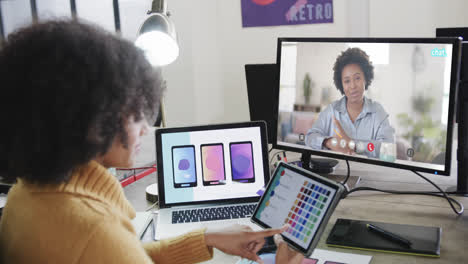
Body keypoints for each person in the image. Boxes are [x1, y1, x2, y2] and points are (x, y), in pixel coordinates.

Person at [0, 20, 304, 264]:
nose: (147, 127)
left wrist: (207, 238)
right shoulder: (91, 229)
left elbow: (127, 255)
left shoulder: (24, 194)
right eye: (134, 112)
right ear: (87, 116)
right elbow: (109, 249)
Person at [305, 47, 395, 159]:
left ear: (365, 79)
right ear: (341, 84)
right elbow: (309, 137)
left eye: (357, 78)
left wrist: (353, 145)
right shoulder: (332, 110)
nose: (352, 86)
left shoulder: (377, 111)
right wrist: (329, 142)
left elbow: (388, 148)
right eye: (347, 81)